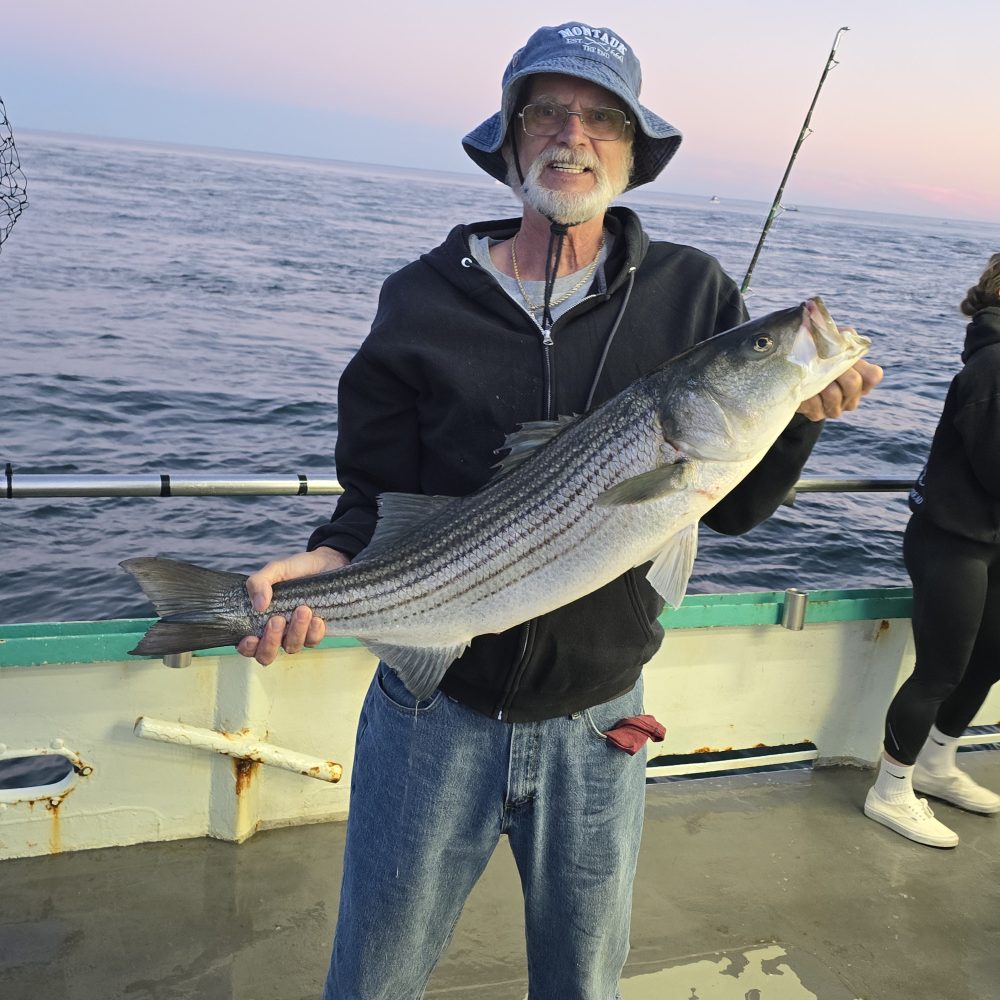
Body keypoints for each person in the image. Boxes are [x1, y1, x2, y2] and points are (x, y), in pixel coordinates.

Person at [238, 22, 883, 999]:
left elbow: (735, 506)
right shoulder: (419, 299)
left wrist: (794, 413)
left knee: (585, 983)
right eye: (545, 110)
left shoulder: (692, 290)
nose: (570, 135)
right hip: (432, 714)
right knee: (371, 977)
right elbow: (372, 490)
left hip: (598, 719)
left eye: (601, 118)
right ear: (508, 139)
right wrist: (336, 558)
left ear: (631, 151)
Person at [865, 252, 1000, 850]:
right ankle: (891, 788)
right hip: (953, 539)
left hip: (993, 539)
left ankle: (938, 765)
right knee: (940, 673)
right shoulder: (992, 366)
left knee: (989, 662)